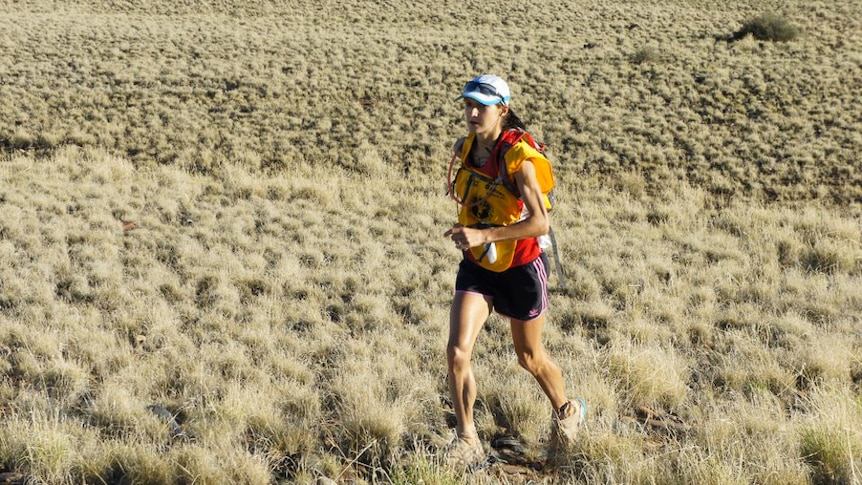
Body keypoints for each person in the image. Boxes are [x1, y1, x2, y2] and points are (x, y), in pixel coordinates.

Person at [443, 74, 586, 468]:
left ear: (502, 111)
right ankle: (466, 438)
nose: (471, 113)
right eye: (468, 105)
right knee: (457, 353)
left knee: (529, 357)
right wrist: (475, 238)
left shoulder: (519, 159)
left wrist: (481, 233)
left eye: (481, 107)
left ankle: (567, 410)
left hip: (522, 267)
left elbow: (541, 223)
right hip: (479, 267)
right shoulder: (467, 147)